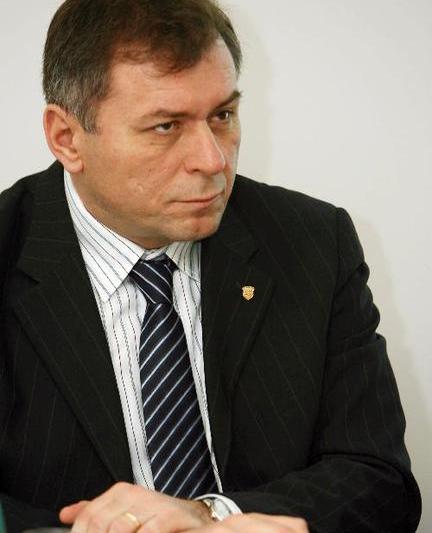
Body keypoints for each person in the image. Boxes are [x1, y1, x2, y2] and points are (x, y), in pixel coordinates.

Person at [0, 0, 421, 532]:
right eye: (165, 126)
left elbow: (381, 482)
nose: (213, 160)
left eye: (222, 116)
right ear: (67, 138)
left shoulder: (312, 242)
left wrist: (212, 515)